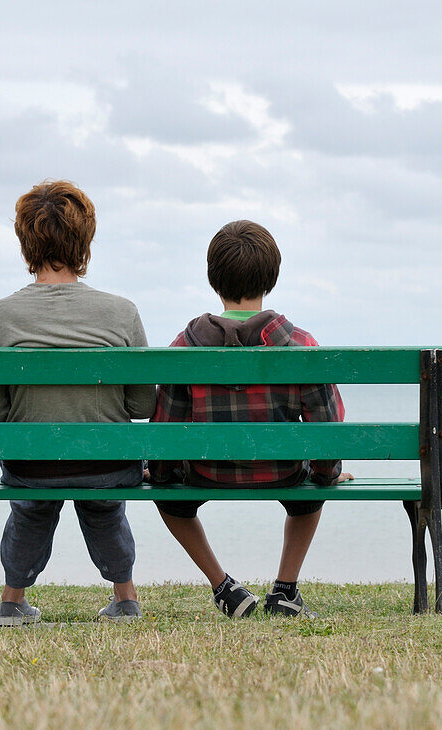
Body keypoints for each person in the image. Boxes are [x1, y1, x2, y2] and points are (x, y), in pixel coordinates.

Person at [147, 220, 352, 619]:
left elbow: (165, 436)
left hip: (206, 472)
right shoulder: (301, 346)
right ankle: (286, 590)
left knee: (167, 497)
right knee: (312, 493)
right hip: (284, 471)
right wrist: (326, 474)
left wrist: (162, 475)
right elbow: (327, 432)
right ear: (271, 278)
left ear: (213, 278)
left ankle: (223, 586)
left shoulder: (185, 347)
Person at [0, 180, 156, 626]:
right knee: (104, 503)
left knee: (30, 506)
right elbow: (140, 403)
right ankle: (126, 599)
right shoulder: (121, 313)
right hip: (109, 467)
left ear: (25, 243)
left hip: (29, 467)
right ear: (85, 240)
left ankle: (12, 602)